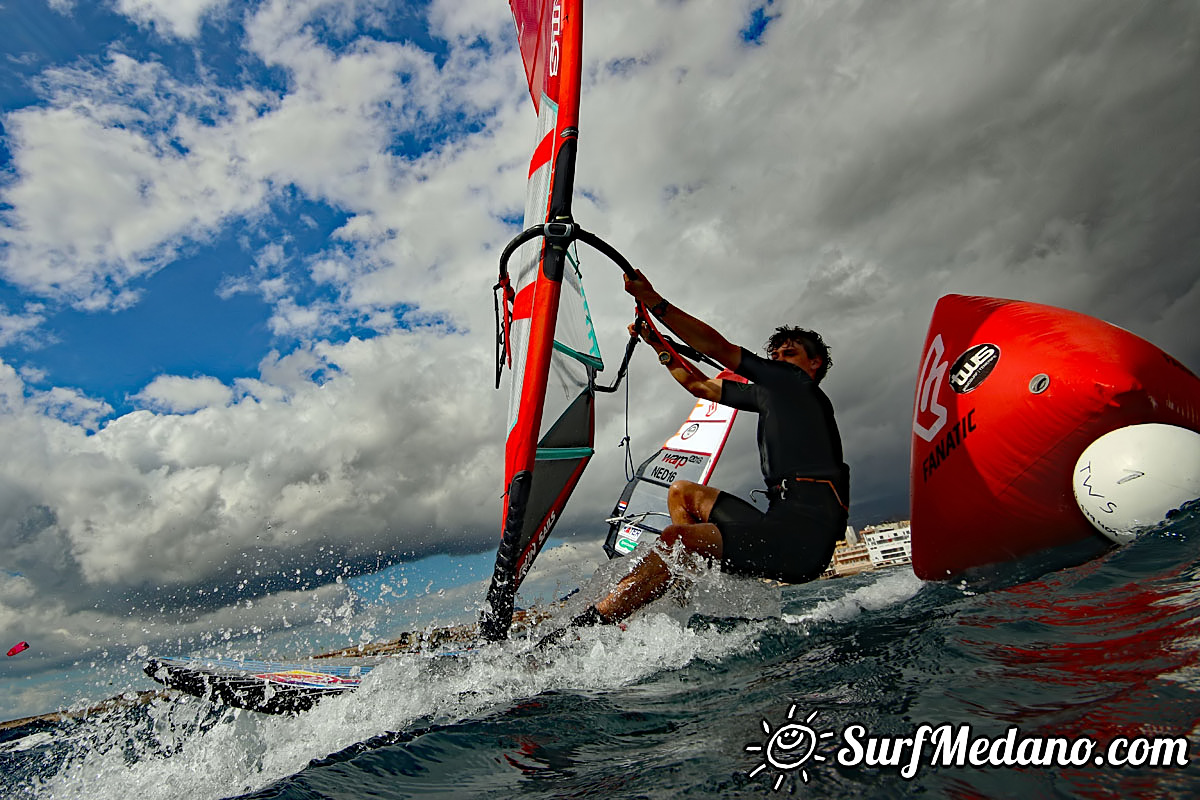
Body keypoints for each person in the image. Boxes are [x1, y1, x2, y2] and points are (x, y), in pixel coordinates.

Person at [551, 270, 850, 637]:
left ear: (814, 363)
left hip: (804, 540)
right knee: (682, 493)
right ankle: (681, 596)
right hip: (776, 523)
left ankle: (588, 629)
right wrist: (654, 341)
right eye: (774, 354)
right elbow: (699, 385)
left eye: (788, 353)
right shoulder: (770, 394)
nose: (777, 359)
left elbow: (720, 349)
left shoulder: (800, 386)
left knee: (677, 540)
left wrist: (655, 302)